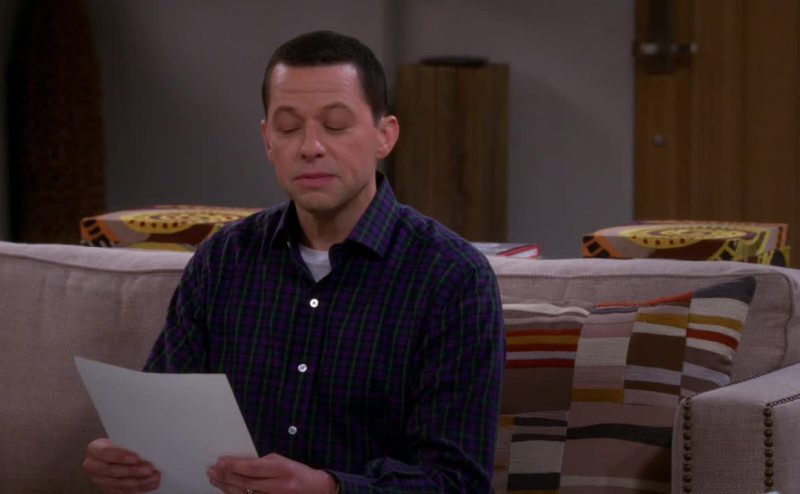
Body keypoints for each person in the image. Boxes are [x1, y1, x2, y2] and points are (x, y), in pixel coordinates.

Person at [83, 30, 504, 493]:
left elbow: (458, 482)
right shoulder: (223, 260)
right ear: (267, 139)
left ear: (385, 136)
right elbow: (163, 420)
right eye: (288, 128)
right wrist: (131, 458)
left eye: (335, 125)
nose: (310, 147)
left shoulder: (452, 278)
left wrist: (330, 488)